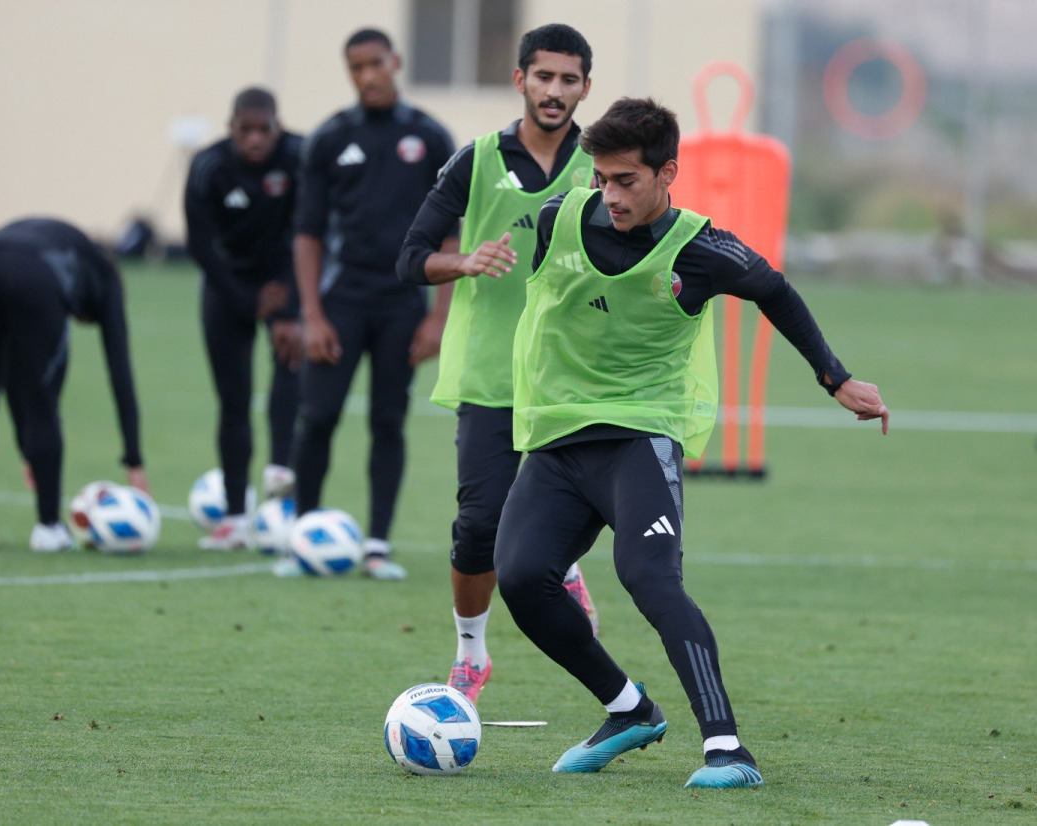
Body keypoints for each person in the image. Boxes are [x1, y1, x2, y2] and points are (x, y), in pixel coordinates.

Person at [494, 97, 890, 788]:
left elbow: (777, 292)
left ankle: (729, 750)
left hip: (642, 434)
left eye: (626, 181)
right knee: (523, 578)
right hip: (559, 435)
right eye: (600, 178)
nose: (608, 194)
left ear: (667, 173)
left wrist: (837, 378)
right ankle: (628, 710)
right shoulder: (560, 219)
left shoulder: (702, 250)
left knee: (648, 577)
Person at [396, 23, 601, 704]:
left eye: (569, 80)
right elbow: (411, 256)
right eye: (543, 76)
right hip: (489, 373)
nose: (555, 90)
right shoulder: (477, 160)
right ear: (520, 80)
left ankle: (565, 564)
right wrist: (463, 260)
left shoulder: (601, 166)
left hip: (573, 377)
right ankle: (471, 653)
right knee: (479, 523)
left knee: (589, 505)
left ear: (585, 89)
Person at [286, 28, 456, 580]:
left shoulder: (429, 137)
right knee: (317, 417)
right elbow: (308, 234)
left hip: (401, 305)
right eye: (356, 67)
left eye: (375, 64)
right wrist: (310, 314)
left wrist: (438, 317)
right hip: (341, 302)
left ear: (395, 62)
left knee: (388, 420)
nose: (367, 76)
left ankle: (378, 545)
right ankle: (303, 538)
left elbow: (450, 237)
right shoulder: (330, 139)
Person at [0, 218, 147, 551]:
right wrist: (134, 460)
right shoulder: (106, 280)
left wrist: (29, 451)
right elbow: (120, 371)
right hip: (34, 273)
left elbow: (15, 377)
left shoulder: (72, 248)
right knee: (42, 401)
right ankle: (48, 529)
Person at [185, 87, 303, 550]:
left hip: (285, 279)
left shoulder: (301, 156)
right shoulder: (208, 166)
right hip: (227, 286)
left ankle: (283, 486)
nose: (255, 139)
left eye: (264, 130)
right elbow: (200, 243)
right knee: (232, 401)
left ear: (279, 127)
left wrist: (289, 294)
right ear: (230, 128)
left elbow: (314, 226)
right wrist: (243, 298)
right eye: (245, 130)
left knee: (292, 367)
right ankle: (235, 516)